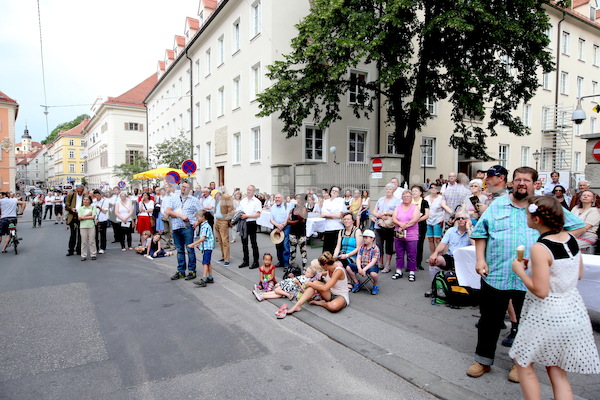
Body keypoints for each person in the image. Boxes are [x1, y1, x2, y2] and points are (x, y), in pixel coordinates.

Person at [467, 167, 586, 382]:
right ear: (511, 182)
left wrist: (554, 239)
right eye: (518, 179)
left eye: (527, 180)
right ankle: (482, 361)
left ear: (535, 183)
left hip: (531, 277)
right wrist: (480, 259)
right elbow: (481, 233)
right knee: (489, 321)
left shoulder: (544, 206)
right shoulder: (498, 205)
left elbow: (578, 226)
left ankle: (520, 364)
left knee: (527, 323)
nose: (522, 183)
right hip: (496, 272)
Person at [510, 196, 600, 399]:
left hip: (547, 313)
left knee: (523, 361)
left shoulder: (540, 248)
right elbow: (577, 274)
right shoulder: (571, 239)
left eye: (527, 215)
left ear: (537, 220)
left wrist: (520, 271)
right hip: (572, 310)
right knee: (557, 370)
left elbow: (541, 290)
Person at [283, 252, 349, 316]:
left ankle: (323, 303)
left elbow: (325, 287)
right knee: (314, 283)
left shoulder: (338, 271)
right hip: (330, 293)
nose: (322, 269)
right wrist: (323, 273)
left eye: (322, 267)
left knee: (333, 307)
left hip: (340, 295)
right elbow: (328, 272)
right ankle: (296, 306)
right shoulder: (329, 267)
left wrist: (309, 283)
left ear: (325, 266)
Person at [426, 211, 474, 296]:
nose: (460, 220)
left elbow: (474, 245)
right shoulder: (451, 231)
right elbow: (442, 244)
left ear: (468, 220)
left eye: (463, 218)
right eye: (458, 218)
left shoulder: (473, 231)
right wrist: (435, 253)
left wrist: (468, 228)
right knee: (433, 261)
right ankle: (435, 287)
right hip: (451, 256)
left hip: (465, 260)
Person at [165, 182, 203, 281]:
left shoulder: (194, 200)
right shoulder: (174, 198)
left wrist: (196, 223)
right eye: (182, 186)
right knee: (179, 250)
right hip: (176, 227)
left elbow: (202, 213)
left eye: (186, 187)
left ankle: (192, 271)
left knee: (190, 249)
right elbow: (168, 211)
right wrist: (180, 216)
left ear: (190, 189)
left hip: (187, 228)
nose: (183, 189)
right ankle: (181, 271)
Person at [392, 190, 420, 281]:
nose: (406, 198)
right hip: (399, 234)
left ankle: (412, 271)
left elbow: (415, 219)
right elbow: (394, 218)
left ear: (411, 198)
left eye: (408, 196)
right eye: (404, 196)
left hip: (411, 234)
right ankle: (399, 270)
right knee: (399, 253)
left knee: (411, 254)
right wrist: (400, 224)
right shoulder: (398, 207)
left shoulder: (415, 207)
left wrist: (404, 226)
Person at [371, 183, 399, 273]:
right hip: (379, 225)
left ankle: (388, 265)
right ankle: (380, 263)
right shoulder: (381, 199)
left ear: (393, 190)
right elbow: (374, 211)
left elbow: (397, 212)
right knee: (379, 245)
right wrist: (379, 215)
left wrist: (386, 213)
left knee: (389, 245)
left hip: (390, 225)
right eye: (387, 189)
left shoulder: (397, 200)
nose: (388, 191)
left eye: (390, 189)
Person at [237, 185, 262, 269]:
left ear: (254, 192)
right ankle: (246, 261)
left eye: (250, 190)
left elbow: (258, 214)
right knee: (244, 243)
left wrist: (247, 216)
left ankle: (256, 262)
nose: (248, 191)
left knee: (253, 243)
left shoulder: (257, 201)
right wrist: (240, 215)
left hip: (251, 222)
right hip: (243, 223)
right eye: (247, 189)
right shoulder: (243, 201)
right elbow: (239, 210)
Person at [349, 229, 381, 294]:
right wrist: (359, 268)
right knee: (348, 267)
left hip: (371, 266)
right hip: (362, 264)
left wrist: (364, 270)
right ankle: (356, 282)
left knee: (373, 274)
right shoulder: (362, 247)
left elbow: (373, 262)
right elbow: (358, 258)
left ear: (372, 239)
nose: (364, 239)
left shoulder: (375, 248)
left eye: (366, 237)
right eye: (364, 237)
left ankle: (375, 284)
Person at [188, 209, 215, 286]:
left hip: (208, 247)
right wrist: (200, 245)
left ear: (203, 217)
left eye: (198, 217)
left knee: (205, 263)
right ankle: (210, 277)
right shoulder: (204, 225)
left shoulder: (205, 226)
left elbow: (203, 238)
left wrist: (193, 244)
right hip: (206, 246)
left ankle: (204, 278)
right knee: (208, 262)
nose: (197, 219)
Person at [320, 186, 346, 254]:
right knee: (326, 250)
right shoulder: (326, 201)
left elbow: (339, 215)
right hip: (327, 227)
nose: (334, 192)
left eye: (336, 191)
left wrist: (327, 215)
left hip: (337, 227)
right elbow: (322, 214)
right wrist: (333, 215)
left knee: (335, 249)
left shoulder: (340, 200)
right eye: (333, 190)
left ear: (338, 193)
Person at [287, 194, 308, 271]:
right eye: (297, 198)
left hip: (301, 233)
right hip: (293, 233)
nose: (298, 200)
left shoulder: (304, 209)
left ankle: (305, 268)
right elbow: (288, 221)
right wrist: (295, 221)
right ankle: (291, 268)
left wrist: (295, 220)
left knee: (303, 252)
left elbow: (302, 218)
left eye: (299, 198)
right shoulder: (292, 210)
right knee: (292, 252)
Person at [270, 193, 290, 269]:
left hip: (285, 226)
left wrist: (282, 225)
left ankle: (286, 263)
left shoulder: (286, 206)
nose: (277, 199)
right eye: (276, 197)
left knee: (285, 244)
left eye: (279, 197)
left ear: (282, 199)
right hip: (276, 226)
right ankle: (280, 261)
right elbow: (271, 219)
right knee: (278, 244)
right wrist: (277, 226)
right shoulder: (273, 207)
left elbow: (288, 217)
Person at [411, 185, 430, 270]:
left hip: (421, 225)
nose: (414, 192)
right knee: (410, 245)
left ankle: (418, 263)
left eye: (416, 191)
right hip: (409, 226)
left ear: (420, 193)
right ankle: (410, 263)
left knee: (419, 244)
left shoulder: (424, 202)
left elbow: (427, 215)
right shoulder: (408, 201)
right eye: (413, 191)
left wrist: (416, 220)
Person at [214, 190, 234, 266]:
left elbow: (231, 209)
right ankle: (223, 256)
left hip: (223, 221)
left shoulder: (226, 198)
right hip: (217, 220)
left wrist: (227, 219)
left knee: (225, 241)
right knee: (220, 241)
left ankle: (227, 259)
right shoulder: (217, 198)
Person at [65, 186, 85, 256]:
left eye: (81, 191)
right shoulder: (71, 195)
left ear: (83, 190)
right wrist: (71, 209)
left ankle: (79, 249)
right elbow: (66, 206)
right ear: (76, 190)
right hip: (73, 216)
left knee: (81, 234)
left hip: (81, 217)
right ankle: (71, 250)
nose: (80, 193)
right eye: (78, 191)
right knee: (73, 234)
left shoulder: (85, 196)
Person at [425, 186, 444, 256]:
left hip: (438, 220)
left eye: (435, 188)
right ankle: (432, 255)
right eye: (431, 188)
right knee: (430, 239)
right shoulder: (426, 198)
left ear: (437, 190)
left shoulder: (441, 198)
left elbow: (444, 209)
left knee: (437, 239)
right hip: (428, 221)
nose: (433, 189)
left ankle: (440, 256)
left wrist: (443, 219)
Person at [78, 194, 98, 261]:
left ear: (90, 201)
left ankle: (93, 254)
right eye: (84, 200)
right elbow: (79, 218)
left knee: (92, 241)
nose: (85, 201)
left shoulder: (93, 207)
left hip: (91, 226)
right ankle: (83, 255)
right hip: (83, 226)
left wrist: (84, 217)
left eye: (87, 200)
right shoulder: (81, 208)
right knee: (83, 241)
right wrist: (86, 216)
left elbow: (93, 216)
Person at [93, 190, 109, 254]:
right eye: (95, 195)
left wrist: (100, 208)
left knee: (103, 235)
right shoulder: (94, 201)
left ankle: (102, 248)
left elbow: (105, 211)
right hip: (95, 220)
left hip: (103, 219)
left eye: (98, 195)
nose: (97, 197)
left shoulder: (105, 201)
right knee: (95, 235)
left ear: (101, 195)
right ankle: (96, 248)